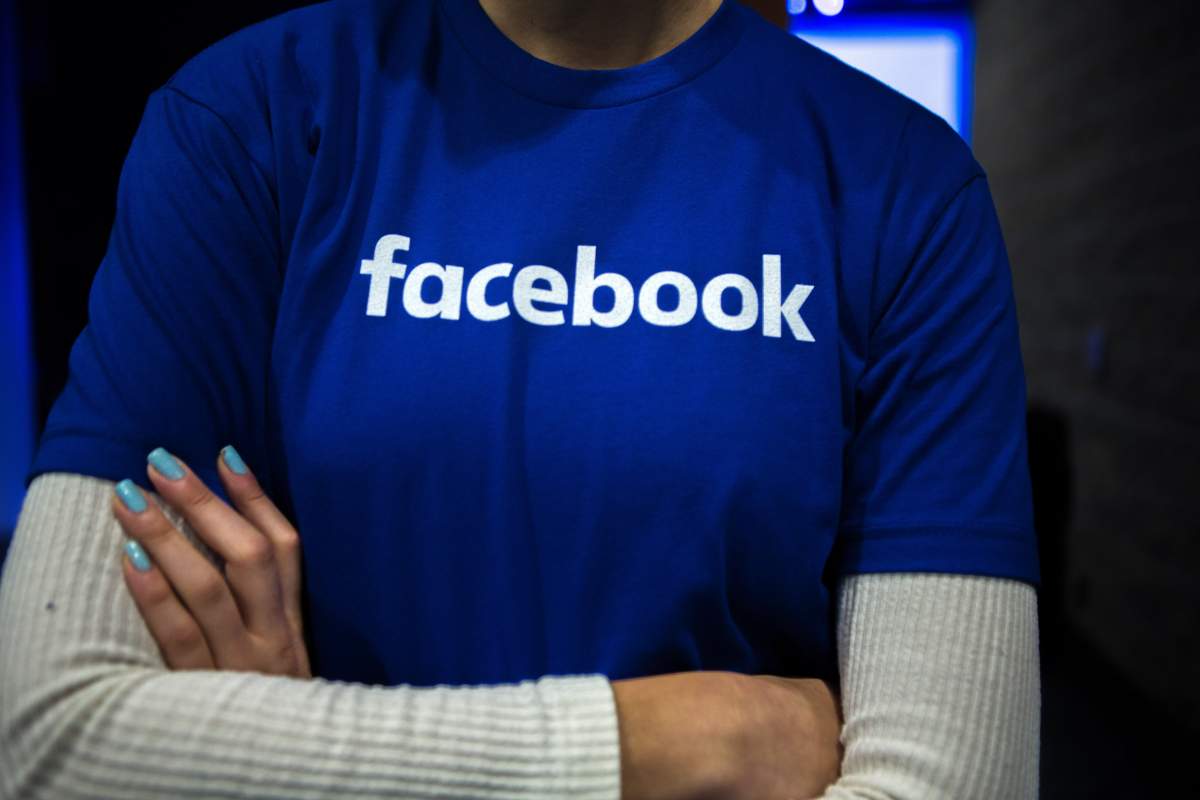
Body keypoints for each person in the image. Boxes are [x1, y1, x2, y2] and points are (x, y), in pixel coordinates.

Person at [0, 0, 1041, 797]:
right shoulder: (251, 120)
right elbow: (48, 738)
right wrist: (687, 741)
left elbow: (945, 780)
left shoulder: (901, 190)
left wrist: (284, 748)